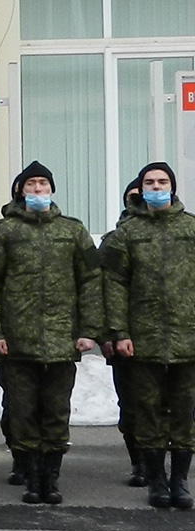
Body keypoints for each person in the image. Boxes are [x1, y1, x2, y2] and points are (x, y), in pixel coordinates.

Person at [0, 161, 101, 504]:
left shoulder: (73, 231)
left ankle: (51, 477)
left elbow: (91, 281)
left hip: (62, 342)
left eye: (43, 184)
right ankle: (31, 477)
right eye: (31, 185)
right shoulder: (4, 232)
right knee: (23, 411)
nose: (37, 190)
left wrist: (89, 330)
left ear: (52, 190)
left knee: (57, 411)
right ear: (20, 191)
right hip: (16, 343)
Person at [102, 161, 195, 510]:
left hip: (188, 340)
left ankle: (180, 482)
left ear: (173, 186)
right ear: (140, 189)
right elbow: (113, 285)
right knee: (148, 412)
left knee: (184, 413)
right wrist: (119, 332)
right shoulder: (127, 233)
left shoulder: (191, 228)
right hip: (143, 341)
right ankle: (156, 480)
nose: (157, 187)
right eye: (150, 183)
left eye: (163, 181)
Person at [100, 180, 144, 488]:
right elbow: (101, 288)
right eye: (134, 197)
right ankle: (140, 464)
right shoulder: (113, 241)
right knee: (132, 405)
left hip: (178, 338)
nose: (141, 201)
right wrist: (105, 336)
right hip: (125, 337)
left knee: (179, 408)